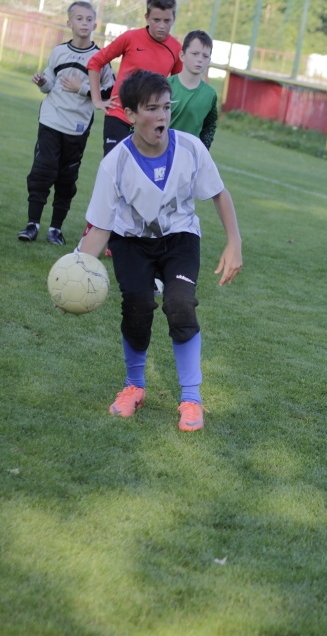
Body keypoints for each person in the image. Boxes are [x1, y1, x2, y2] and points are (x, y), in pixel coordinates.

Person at [77, 70, 243, 432]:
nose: (163, 116)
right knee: (137, 307)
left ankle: (192, 399)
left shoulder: (190, 148)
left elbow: (219, 193)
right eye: (152, 108)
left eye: (167, 107)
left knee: (180, 305)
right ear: (131, 115)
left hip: (180, 239)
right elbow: (101, 227)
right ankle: (134, 386)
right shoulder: (115, 164)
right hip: (131, 242)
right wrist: (77, 274)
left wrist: (234, 242)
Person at [18, 1, 114, 245]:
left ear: (95, 23)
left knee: (66, 179)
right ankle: (32, 224)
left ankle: (55, 229)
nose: (84, 23)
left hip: (77, 128)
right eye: (79, 19)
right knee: (42, 171)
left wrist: (81, 88)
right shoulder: (58, 51)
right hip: (51, 121)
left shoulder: (100, 58)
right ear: (69, 23)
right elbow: (50, 83)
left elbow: (109, 92)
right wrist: (42, 81)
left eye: (89, 19)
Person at [86, 0, 182, 156]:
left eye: (167, 21)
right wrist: (97, 100)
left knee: (140, 173)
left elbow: (177, 85)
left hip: (149, 122)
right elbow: (95, 63)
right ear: (146, 17)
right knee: (115, 168)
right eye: (156, 20)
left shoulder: (176, 49)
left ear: (173, 19)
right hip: (119, 116)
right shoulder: (130, 38)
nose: (161, 25)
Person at [170, 30, 218, 149]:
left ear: (209, 60)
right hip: (159, 153)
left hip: (188, 158)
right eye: (195, 53)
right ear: (182, 55)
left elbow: (210, 125)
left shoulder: (210, 95)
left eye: (205, 56)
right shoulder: (164, 87)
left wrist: (202, 149)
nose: (200, 59)